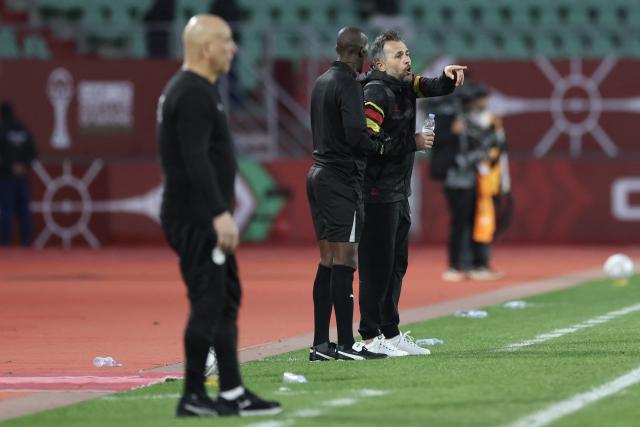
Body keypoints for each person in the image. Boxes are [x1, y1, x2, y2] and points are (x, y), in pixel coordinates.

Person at [157, 15, 281, 417]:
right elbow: (194, 159)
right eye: (226, 41)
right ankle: (193, 395)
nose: (234, 48)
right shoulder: (192, 92)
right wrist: (218, 213)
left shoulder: (199, 89)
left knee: (226, 298)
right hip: (195, 217)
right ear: (205, 48)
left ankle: (230, 392)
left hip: (200, 214)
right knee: (209, 301)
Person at [358, 30, 466, 355]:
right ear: (379, 63)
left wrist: (446, 79)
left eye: (407, 53)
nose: (407, 60)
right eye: (398, 55)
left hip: (396, 190)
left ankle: (389, 333)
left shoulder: (403, 84)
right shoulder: (375, 92)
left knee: (395, 264)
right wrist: (412, 143)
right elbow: (366, 142)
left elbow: (429, 86)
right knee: (377, 266)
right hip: (376, 192)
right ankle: (368, 337)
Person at [307, 26, 388, 362]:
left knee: (328, 261)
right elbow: (356, 133)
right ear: (360, 52)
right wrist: (378, 146)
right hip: (341, 180)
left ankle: (320, 345)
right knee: (346, 261)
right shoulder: (349, 84)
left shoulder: (321, 81)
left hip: (319, 175)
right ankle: (344, 344)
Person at [435, 82, 510, 281]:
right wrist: (454, 132)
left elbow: (491, 146)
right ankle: (454, 266)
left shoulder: (476, 122)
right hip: (457, 180)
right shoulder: (448, 120)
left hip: (475, 179)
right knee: (459, 223)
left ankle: (473, 264)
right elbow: (437, 143)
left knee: (473, 222)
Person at [0, 101, 38, 247]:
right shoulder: (23, 128)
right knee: (24, 211)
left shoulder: (2, 129)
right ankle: (26, 243)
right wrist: (23, 166)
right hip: (22, 177)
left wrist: (9, 166)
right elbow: (33, 152)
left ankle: (6, 244)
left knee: (7, 211)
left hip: (5, 178)